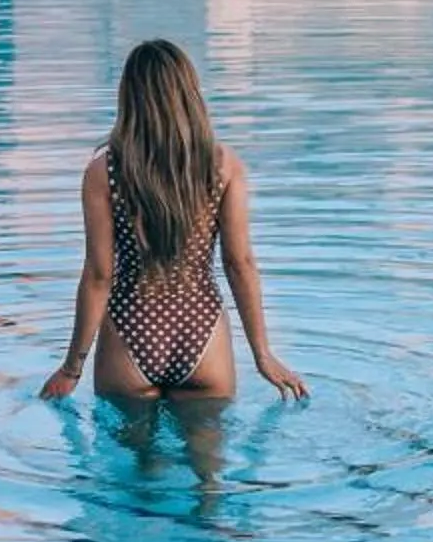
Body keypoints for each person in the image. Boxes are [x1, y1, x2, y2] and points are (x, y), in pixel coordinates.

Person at [41, 38, 307, 402]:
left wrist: (72, 367)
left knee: (127, 442)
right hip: (202, 332)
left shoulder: (105, 172)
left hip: (130, 328)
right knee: (209, 441)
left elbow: (100, 275)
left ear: (129, 97)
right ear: (189, 94)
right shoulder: (223, 166)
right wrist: (263, 355)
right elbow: (239, 263)